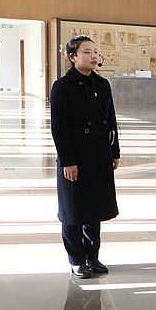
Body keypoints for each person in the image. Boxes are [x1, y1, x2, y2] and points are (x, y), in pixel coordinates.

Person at [50, 36, 120, 279]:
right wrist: (67, 161)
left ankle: (92, 255)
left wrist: (114, 151)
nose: (93, 56)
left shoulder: (102, 84)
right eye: (87, 52)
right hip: (75, 154)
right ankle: (77, 259)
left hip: (99, 153)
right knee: (74, 211)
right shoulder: (63, 86)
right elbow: (59, 127)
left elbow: (111, 120)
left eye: (95, 52)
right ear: (73, 57)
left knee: (94, 208)